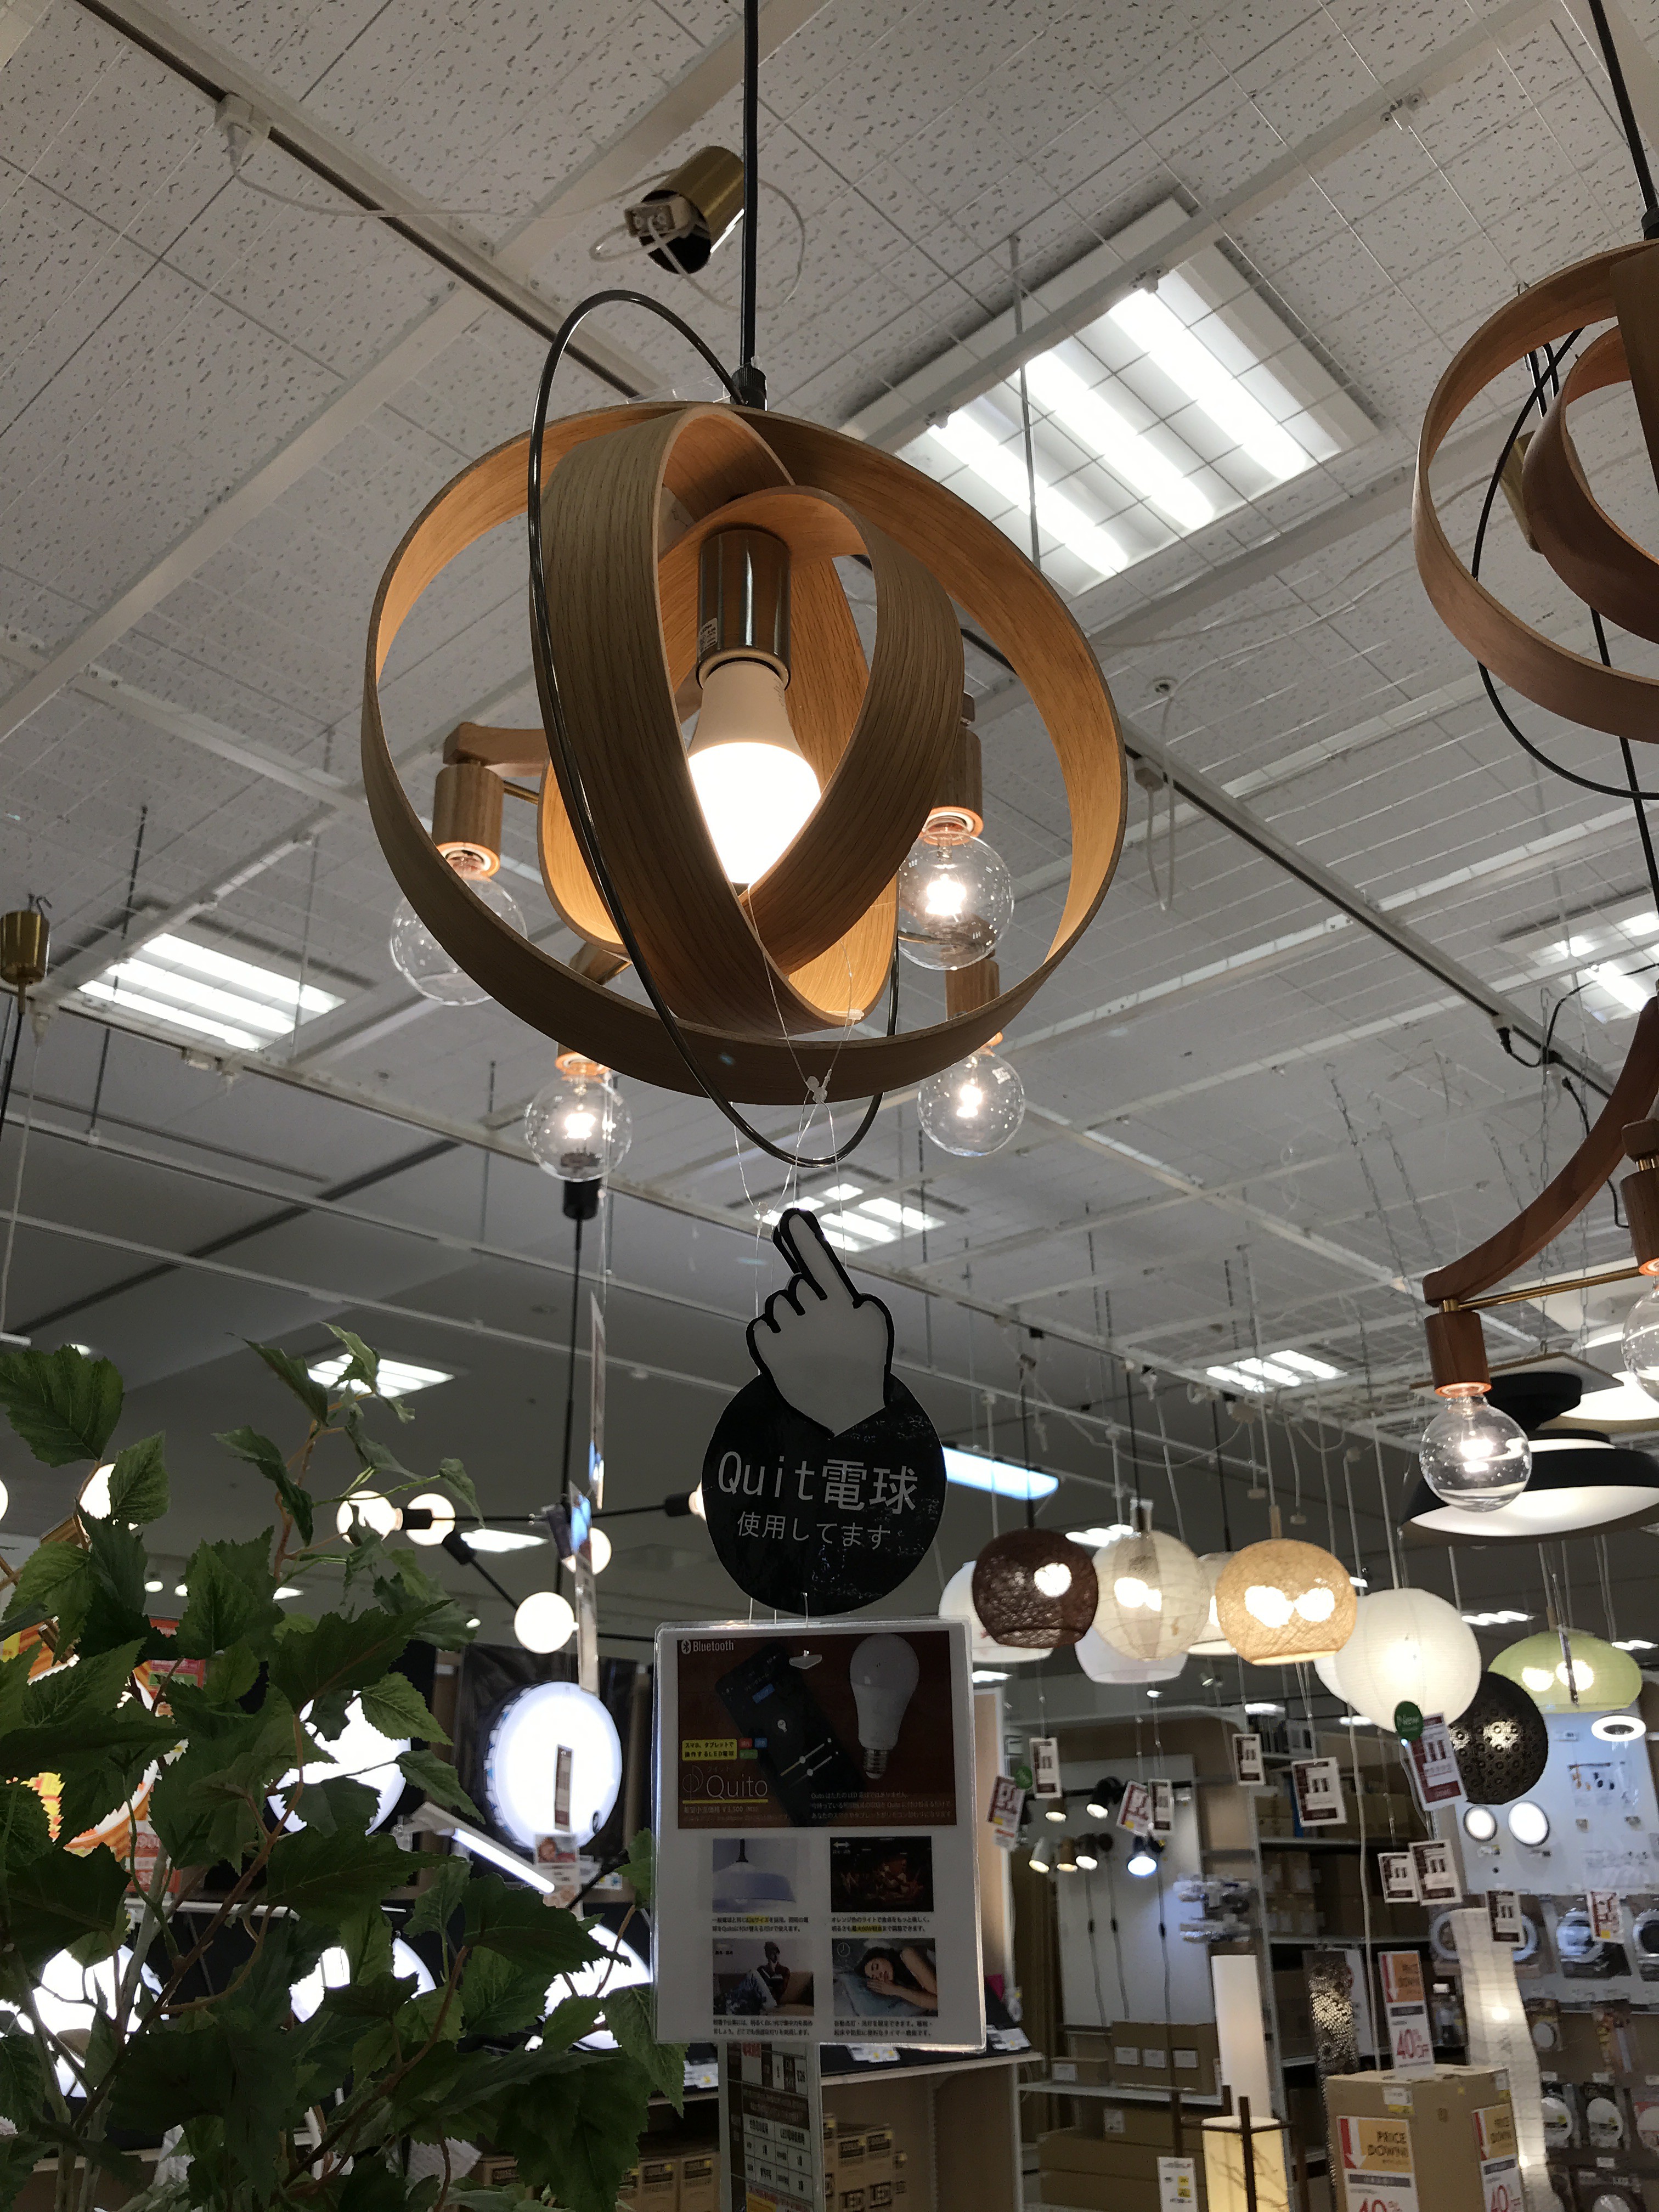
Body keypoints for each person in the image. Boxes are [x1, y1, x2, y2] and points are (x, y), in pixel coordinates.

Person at [860, 1944, 938, 2011]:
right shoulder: (902, 1982)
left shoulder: (908, 1955)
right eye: (875, 1978)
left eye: (876, 1967)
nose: (879, 1975)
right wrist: (896, 1990)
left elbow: (940, 1999)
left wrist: (897, 1990)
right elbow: (935, 2003)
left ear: (883, 1956)